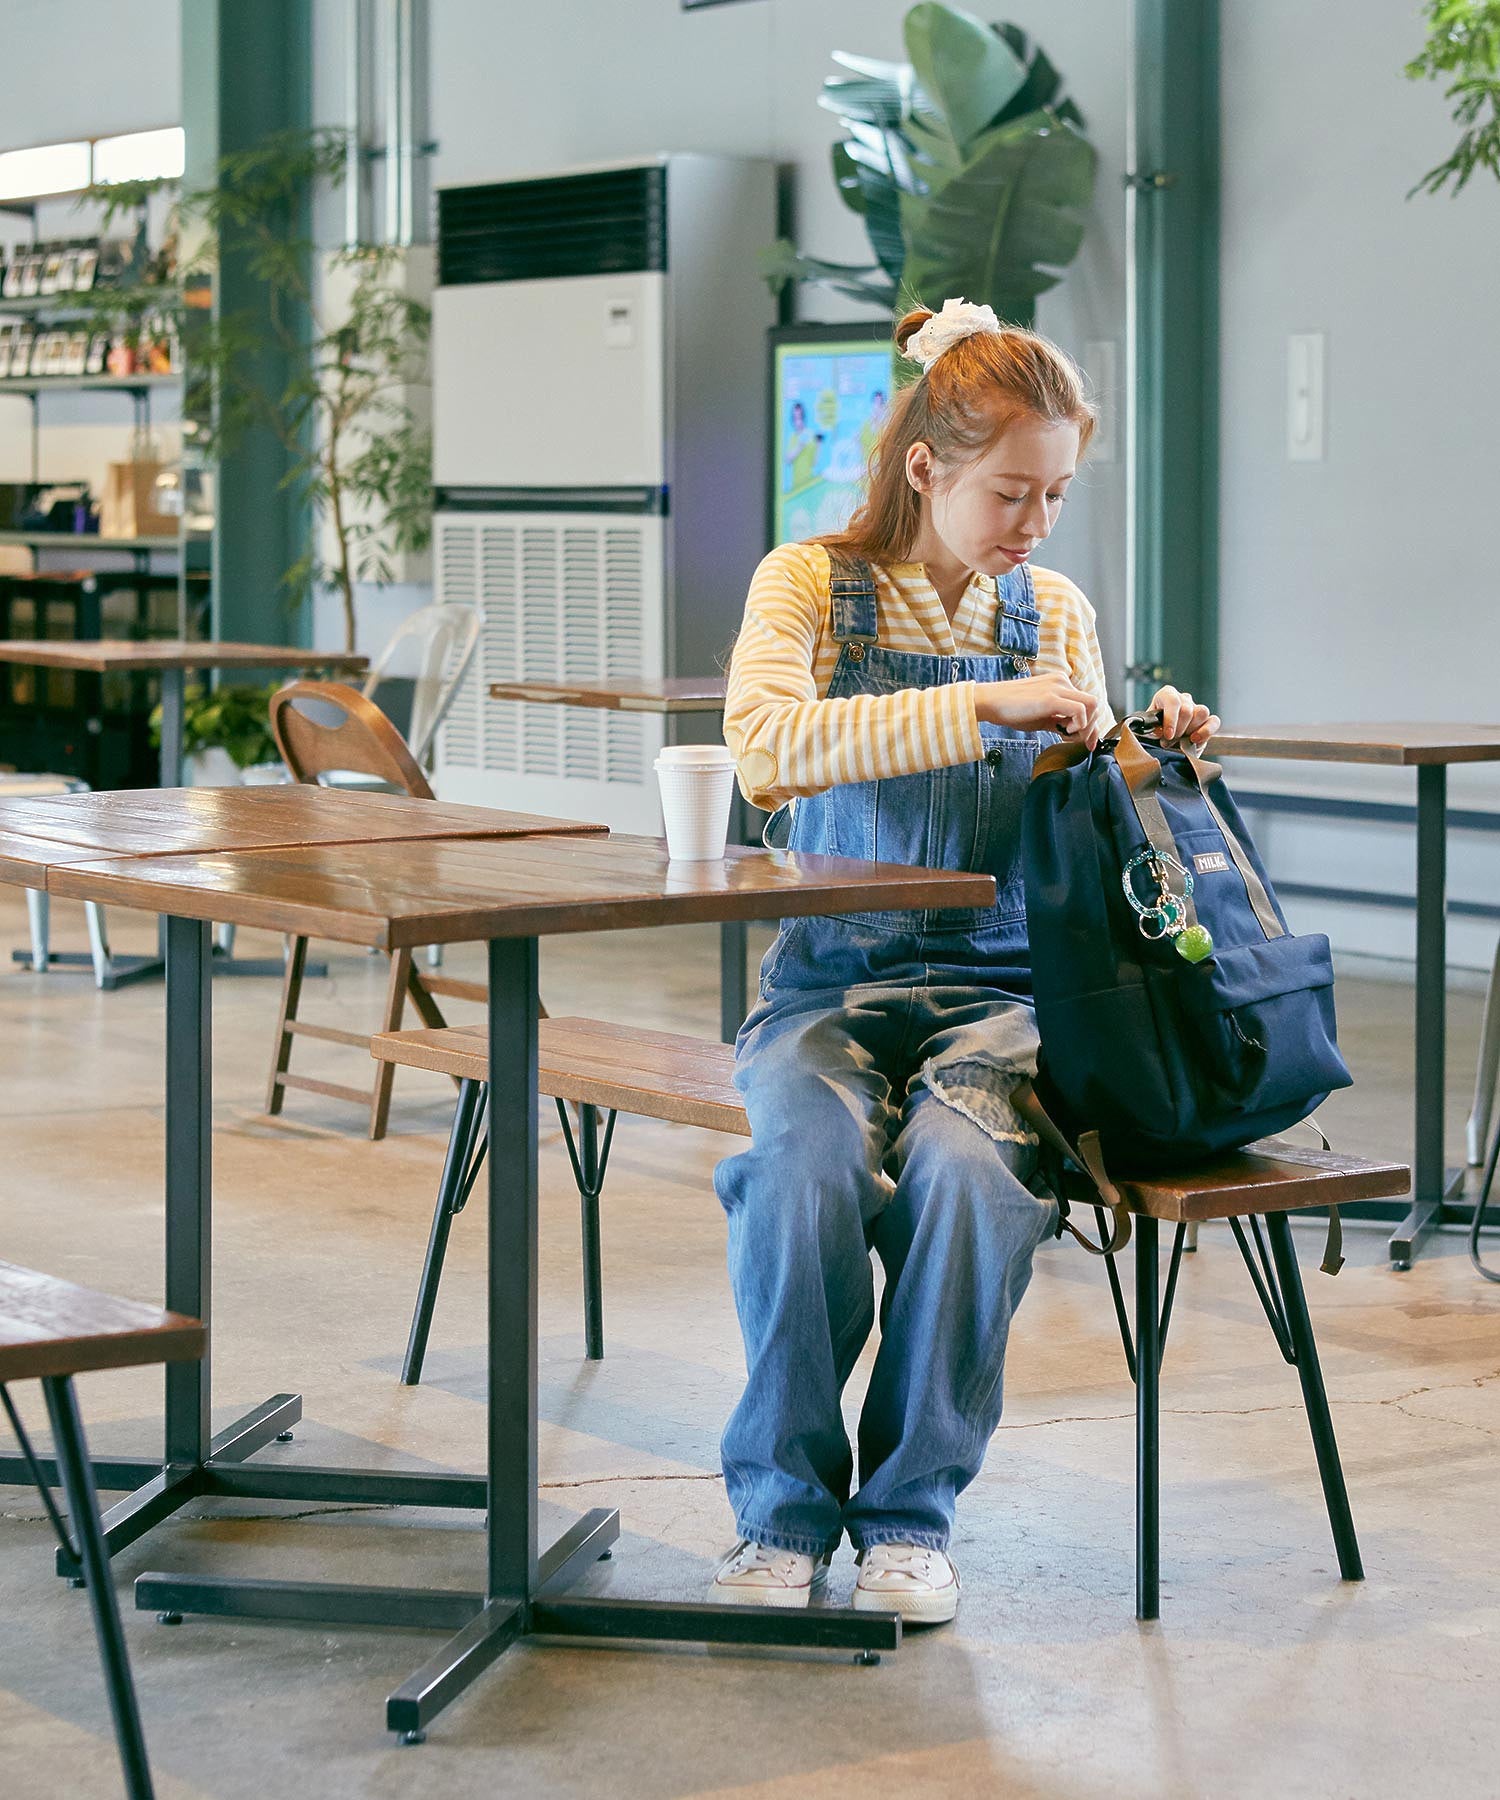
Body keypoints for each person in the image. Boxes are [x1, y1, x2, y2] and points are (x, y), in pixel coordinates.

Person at [711, 297, 1219, 1624]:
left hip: (1006, 994)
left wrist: (1151, 754)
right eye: (1011, 493)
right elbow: (767, 749)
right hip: (832, 976)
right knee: (800, 1169)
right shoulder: (806, 583)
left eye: (1055, 496)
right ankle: (780, 1517)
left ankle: (909, 1518)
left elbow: (1085, 814)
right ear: (926, 467)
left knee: (970, 1173)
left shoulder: (1055, 611)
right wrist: (978, 702)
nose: (1034, 527)